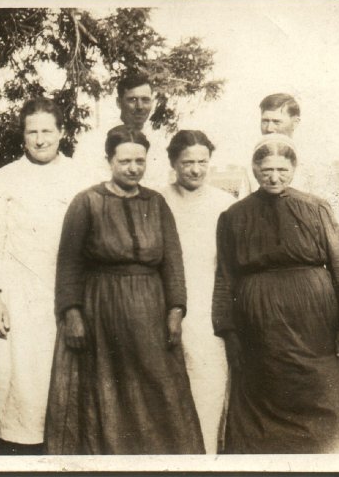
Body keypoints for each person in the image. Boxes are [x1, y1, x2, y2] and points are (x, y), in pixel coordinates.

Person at [45, 125, 204, 454]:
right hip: (101, 310)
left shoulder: (156, 202)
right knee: (106, 390)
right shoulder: (86, 202)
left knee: (158, 387)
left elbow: (172, 262)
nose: (133, 168)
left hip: (149, 310)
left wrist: (175, 311)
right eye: (125, 161)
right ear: (109, 160)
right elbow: (69, 263)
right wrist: (72, 313)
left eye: (140, 161)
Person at [212, 134, 339, 454]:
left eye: (282, 169)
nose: (274, 176)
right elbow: (225, 276)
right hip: (260, 325)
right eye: (266, 169)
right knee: (263, 391)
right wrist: (228, 331)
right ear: (254, 169)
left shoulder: (314, 207)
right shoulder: (234, 216)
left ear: (293, 169)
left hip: (314, 323)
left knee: (321, 386)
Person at [0, 97, 84, 455]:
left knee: (70, 373)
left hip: (69, 291)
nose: (40, 139)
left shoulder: (81, 177)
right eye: (32, 131)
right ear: (23, 136)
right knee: (22, 378)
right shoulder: (4, 178)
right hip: (19, 292)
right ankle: (20, 448)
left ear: (61, 132)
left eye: (47, 131)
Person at [160, 130, 235, 454]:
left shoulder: (226, 205)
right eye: (187, 162)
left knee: (208, 384)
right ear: (173, 163)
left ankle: (204, 458)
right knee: (166, 388)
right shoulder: (156, 199)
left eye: (202, 162)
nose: (195, 169)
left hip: (208, 307)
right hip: (164, 304)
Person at [238, 93, 339, 224]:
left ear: (295, 123)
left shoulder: (316, 161)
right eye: (265, 121)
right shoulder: (253, 161)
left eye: (276, 122)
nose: (269, 128)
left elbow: (332, 216)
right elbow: (242, 209)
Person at [74, 72, 174, 190]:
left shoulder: (161, 143)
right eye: (132, 100)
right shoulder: (95, 140)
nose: (140, 106)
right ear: (119, 103)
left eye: (145, 100)